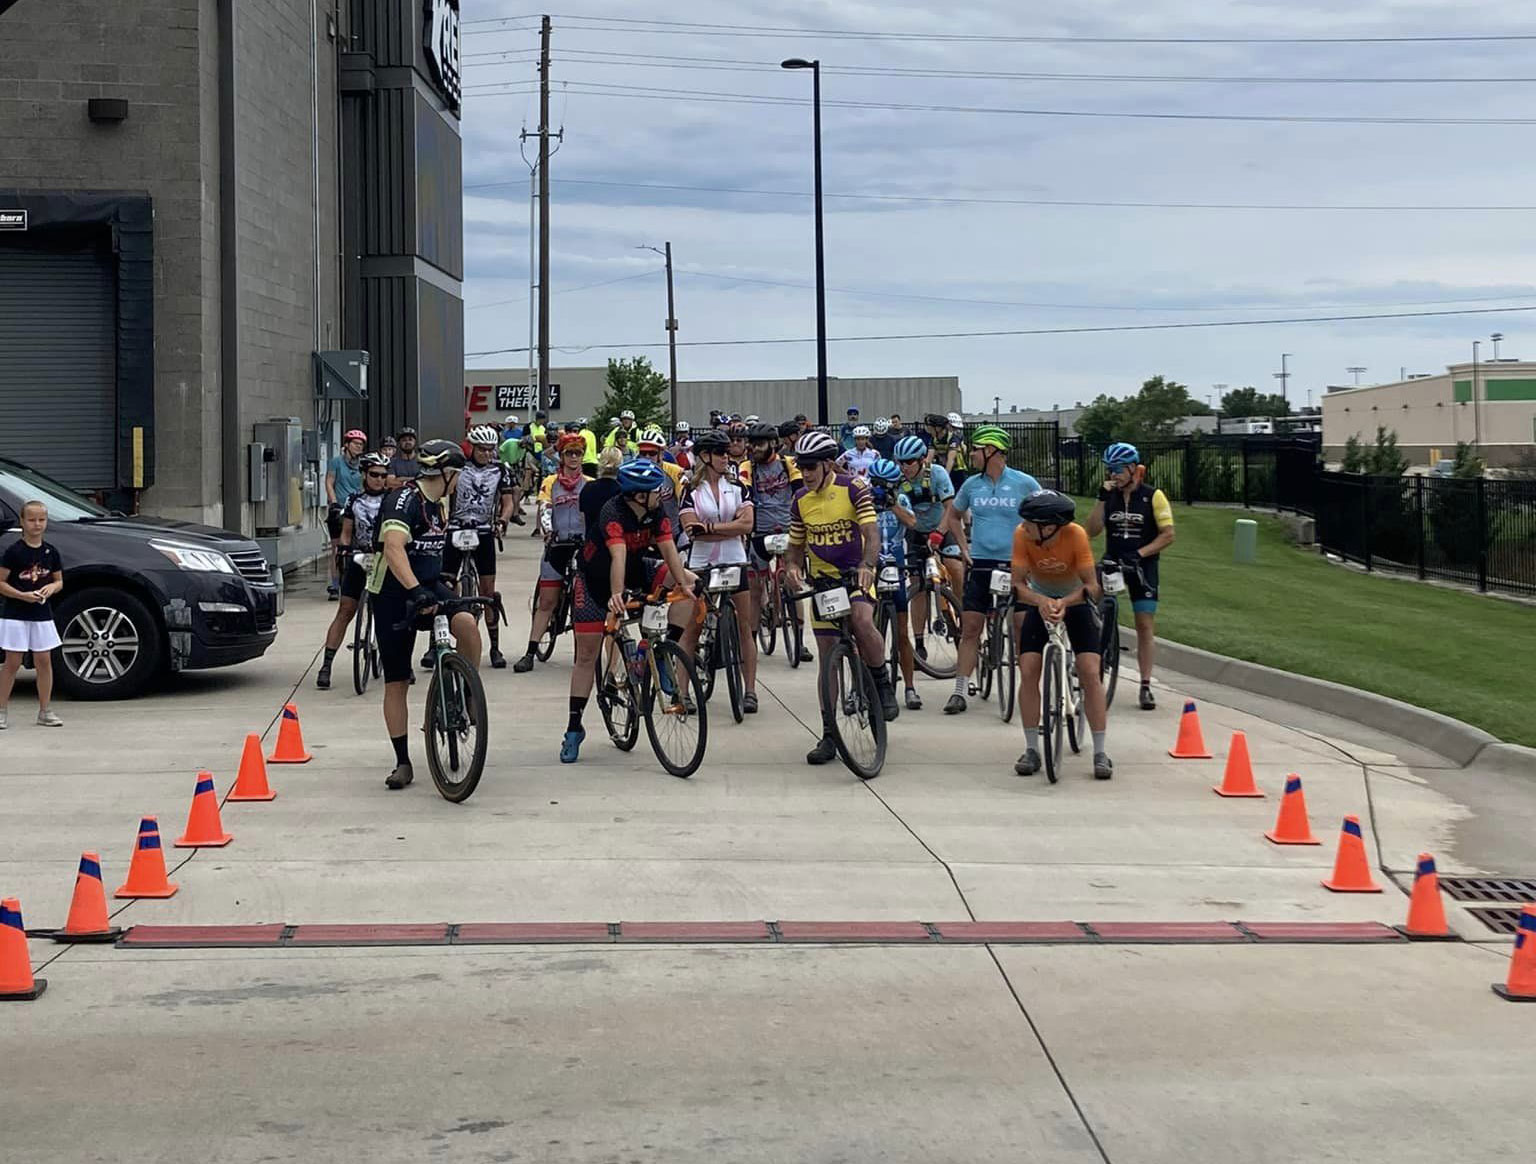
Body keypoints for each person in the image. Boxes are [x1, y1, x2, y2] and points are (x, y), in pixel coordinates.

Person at [560, 459, 698, 763]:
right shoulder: (614, 512)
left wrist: (685, 586)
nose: (660, 494)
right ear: (638, 495)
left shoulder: (655, 511)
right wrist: (617, 596)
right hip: (596, 579)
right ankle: (574, 729)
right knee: (587, 655)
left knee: (688, 581)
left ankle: (659, 651)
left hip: (636, 569)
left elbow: (669, 551)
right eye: (654, 491)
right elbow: (617, 557)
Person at [368, 440, 483, 789]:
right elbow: (393, 548)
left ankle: (464, 696)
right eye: (460, 473)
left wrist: (441, 581)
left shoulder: (440, 504)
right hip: (391, 591)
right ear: (447, 473)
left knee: (466, 623)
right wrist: (415, 592)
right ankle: (402, 761)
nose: (463, 480)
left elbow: (434, 548)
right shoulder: (404, 500)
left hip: (428, 582)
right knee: (397, 680)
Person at [783, 431, 901, 764]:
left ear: (826, 464)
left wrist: (867, 565)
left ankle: (881, 682)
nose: (804, 473)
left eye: (810, 466)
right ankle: (829, 733)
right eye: (800, 466)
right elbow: (794, 548)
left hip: (855, 573)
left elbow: (871, 533)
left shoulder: (853, 488)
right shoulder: (800, 501)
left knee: (863, 622)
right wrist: (791, 568)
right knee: (826, 654)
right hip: (823, 582)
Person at [1011, 490, 1112, 779]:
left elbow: (1092, 586)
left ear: (1050, 526)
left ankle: (1100, 752)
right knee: (1029, 669)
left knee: (1090, 671)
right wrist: (1041, 602)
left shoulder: (1075, 535)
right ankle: (1032, 749)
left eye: (1030, 522)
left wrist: (1066, 603)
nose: (1024, 527)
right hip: (1039, 599)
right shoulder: (1022, 535)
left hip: (1075, 601)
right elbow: (1018, 584)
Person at [945, 425, 1041, 714]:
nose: (971, 454)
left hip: (1016, 566)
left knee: (1022, 625)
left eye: (976, 449)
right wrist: (963, 548)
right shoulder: (972, 484)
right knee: (971, 627)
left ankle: (1028, 686)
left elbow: (1045, 517)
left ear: (992, 451)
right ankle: (960, 690)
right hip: (981, 563)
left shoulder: (1024, 483)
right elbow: (953, 515)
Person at [1085, 441, 1175, 711]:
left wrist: (1141, 553)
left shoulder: (1153, 496)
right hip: (1112, 561)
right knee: (1087, 604)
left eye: (1118, 470)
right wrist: (1101, 499)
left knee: (1144, 624)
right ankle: (1088, 658)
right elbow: (1090, 530)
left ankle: (1145, 685)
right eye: (1110, 470)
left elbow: (1168, 534)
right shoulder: (1109, 496)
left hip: (1141, 566)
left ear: (1134, 469)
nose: (1113, 475)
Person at [679, 430, 758, 711]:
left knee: (744, 626)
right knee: (692, 628)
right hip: (701, 565)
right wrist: (729, 528)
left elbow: (747, 525)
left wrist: (710, 528)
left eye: (728, 452)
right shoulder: (690, 491)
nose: (728, 456)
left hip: (735, 560)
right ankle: (683, 693)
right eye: (721, 453)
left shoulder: (739, 487)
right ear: (705, 457)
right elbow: (691, 531)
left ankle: (749, 691)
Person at [439, 425, 516, 669]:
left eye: (490, 449)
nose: (486, 453)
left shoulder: (501, 470)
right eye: (481, 449)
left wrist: (502, 520)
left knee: (487, 591)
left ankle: (494, 646)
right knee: (445, 585)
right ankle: (436, 643)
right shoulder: (457, 468)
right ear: (471, 447)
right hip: (455, 528)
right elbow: (441, 495)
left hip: (483, 530)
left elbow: (507, 501)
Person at [514, 432, 589, 673]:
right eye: (570, 453)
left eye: (578, 453)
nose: (574, 457)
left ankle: (582, 656)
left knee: (582, 602)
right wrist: (548, 530)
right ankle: (529, 652)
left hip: (580, 546)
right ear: (562, 456)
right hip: (556, 545)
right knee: (547, 601)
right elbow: (545, 508)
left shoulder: (588, 483)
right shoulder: (550, 482)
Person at [316, 453, 390, 689]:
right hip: (360, 557)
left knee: (392, 614)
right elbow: (347, 531)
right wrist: (344, 550)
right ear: (364, 475)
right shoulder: (353, 500)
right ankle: (326, 665)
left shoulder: (393, 500)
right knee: (345, 610)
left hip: (385, 560)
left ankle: (399, 664)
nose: (380, 480)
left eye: (383, 475)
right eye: (375, 475)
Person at [742, 422, 810, 666]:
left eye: (758, 443)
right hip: (760, 532)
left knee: (793, 582)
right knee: (754, 588)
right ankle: (749, 640)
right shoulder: (746, 466)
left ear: (772, 444)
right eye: (751, 443)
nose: (753, 448)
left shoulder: (788, 464)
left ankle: (799, 640)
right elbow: (745, 496)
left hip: (789, 529)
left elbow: (800, 493)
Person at [893, 433, 965, 657]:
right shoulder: (897, 479)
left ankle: (961, 610)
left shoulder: (937, 474)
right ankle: (920, 642)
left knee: (954, 566)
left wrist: (939, 534)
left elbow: (951, 509)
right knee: (917, 582)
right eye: (900, 462)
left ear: (922, 459)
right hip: (915, 532)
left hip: (941, 528)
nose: (904, 467)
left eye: (909, 462)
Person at [0, 500, 64, 729]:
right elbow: (1, 583)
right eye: (32, 520)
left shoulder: (51, 552)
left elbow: (59, 581)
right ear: (22, 522)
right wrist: (21, 595)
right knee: (13, 662)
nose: (37, 524)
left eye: (41, 520)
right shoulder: (13, 552)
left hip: (42, 613)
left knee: (44, 660)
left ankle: (45, 710)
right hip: (16, 614)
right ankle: (1, 710)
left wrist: (50, 589)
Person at [869, 457, 922, 710]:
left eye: (885, 485)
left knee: (902, 632)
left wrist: (891, 506)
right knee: (865, 631)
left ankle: (910, 687)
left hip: (896, 567)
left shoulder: (900, 500)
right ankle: (859, 687)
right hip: (873, 568)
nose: (880, 489)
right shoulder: (864, 501)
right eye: (877, 484)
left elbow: (912, 522)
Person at [325, 429, 367, 599]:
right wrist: (333, 501)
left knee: (358, 546)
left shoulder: (363, 464)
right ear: (347, 445)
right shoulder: (336, 462)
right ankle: (334, 585)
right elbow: (329, 482)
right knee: (336, 547)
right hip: (339, 508)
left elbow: (365, 484)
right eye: (356, 444)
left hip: (357, 508)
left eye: (361, 445)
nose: (359, 447)